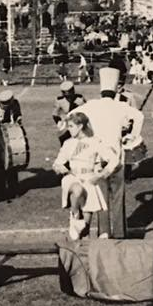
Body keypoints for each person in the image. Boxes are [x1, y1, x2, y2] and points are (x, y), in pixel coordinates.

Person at [70, 67, 133, 239]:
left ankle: (104, 233)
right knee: (118, 198)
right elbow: (130, 127)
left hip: (97, 159)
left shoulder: (90, 106)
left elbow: (71, 118)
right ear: (115, 90)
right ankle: (119, 233)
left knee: (101, 199)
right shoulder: (122, 106)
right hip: (116, 158)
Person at [52, 112, 120, 241]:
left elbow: (114, 160)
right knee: (77, 190)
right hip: (72, 177)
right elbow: (57, 162)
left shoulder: (95, 142)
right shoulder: (68, 143)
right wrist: (60, 168)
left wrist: (102, 174)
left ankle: (81, 228)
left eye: (71, 126)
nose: (68, 129)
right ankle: (74, 215)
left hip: (89, 179)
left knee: (84, 228)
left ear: (80, 126)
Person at [53, 81, 86, 146]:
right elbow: (55, 114)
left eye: (70, 95)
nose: (69, 98)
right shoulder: (60, 101)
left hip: (79, 123)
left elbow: (86, 112)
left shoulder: (80, 99)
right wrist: (59, 123)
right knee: (63, 139)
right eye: (67, 96)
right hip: (67, 124)